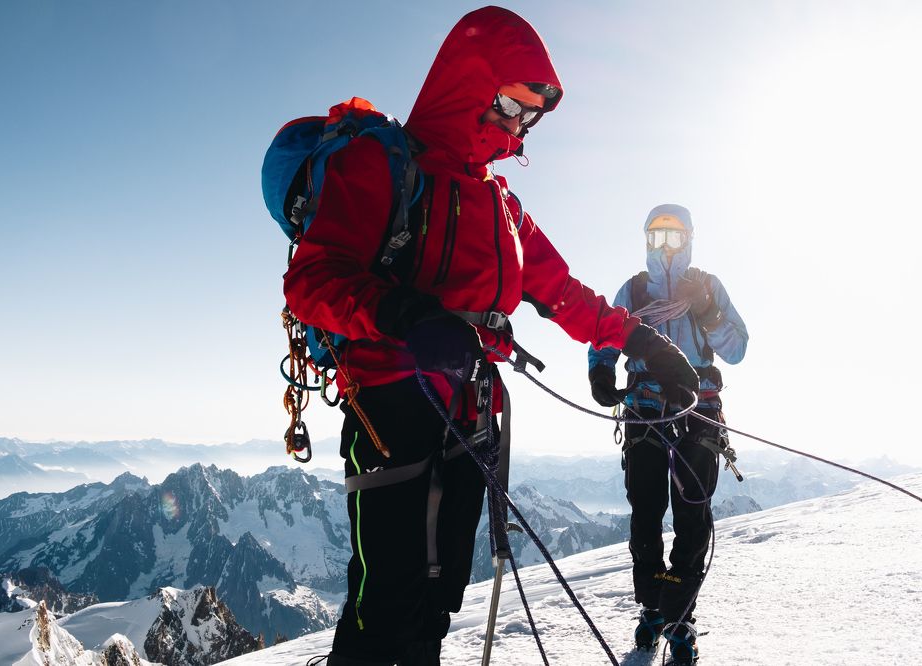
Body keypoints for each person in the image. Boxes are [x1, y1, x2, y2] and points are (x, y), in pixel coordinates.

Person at [283, 8, 699, 666]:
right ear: (468, 83)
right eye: (510, 103)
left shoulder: (502, 207)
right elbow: (312, 281)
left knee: (443, 588)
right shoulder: (380, 167)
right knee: (385, 597)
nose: (516, 126)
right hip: (391, 403)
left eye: (528, 116)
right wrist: (407, 317)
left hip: (473, 409)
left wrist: (641, 342)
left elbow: (562, 293)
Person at [588, 204, 748, 663]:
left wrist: (710, 311)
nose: (665, 246)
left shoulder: (707, 288)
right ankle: (654, 608)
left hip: (697, 408)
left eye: (673, 237)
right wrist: (600, 371)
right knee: (646, 511)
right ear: (645, 241)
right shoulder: (635, 291)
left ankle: (678, 615)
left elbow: (736, 349)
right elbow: (603, 333)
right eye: (656, 237)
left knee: (692, 515)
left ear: (689, 238)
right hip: (646, 410)